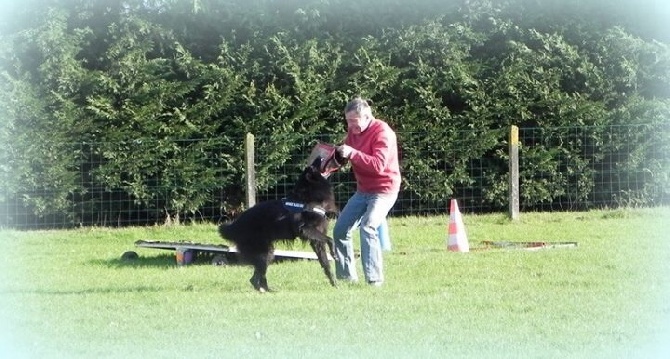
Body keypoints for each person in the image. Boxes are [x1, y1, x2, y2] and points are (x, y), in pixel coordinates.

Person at [333, 97, 401, 287]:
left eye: (354, 122)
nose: (351, 127)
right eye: (348, 122)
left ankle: (374, 280)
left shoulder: (383, 133)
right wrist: (332, 158)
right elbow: (347, 153)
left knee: (368, 226)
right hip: (363, 190)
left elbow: (378, 166)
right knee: (340, 230)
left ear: (367, 117)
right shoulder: (353, 130)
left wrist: (352, 153)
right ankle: (347, 279)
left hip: (384, 190)